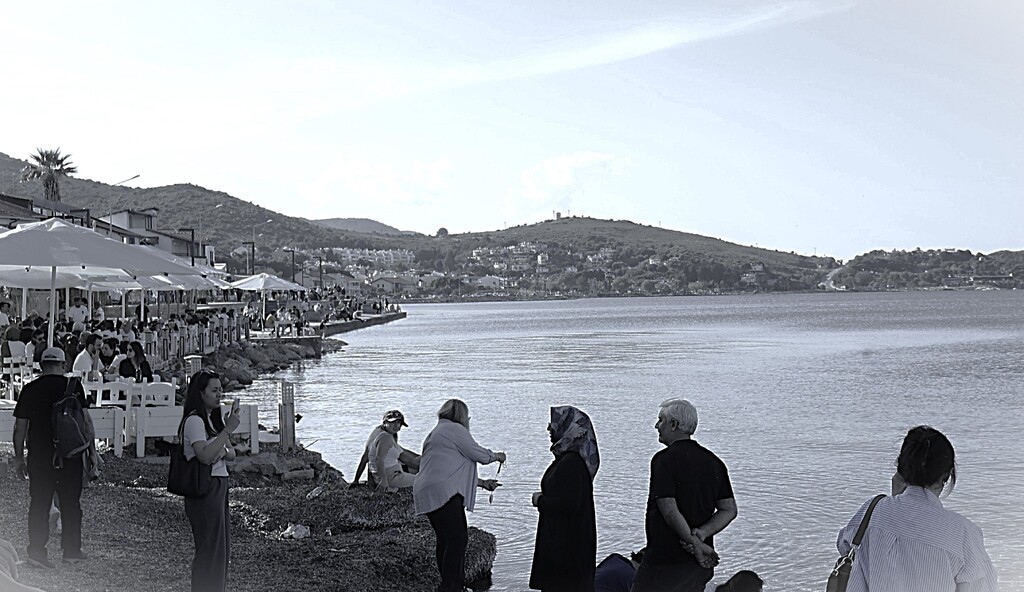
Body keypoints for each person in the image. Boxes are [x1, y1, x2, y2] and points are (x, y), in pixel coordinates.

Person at [835, 426, 998, 592]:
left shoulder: (871, 512)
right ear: (947, 476)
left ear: (900, 468)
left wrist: (895, 498)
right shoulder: (964, 534)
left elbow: (846, 547)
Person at [631, 399, 737, 592]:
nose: (656, 426)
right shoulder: (714, 462)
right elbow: (729, 510)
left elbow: (669, 510)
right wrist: (702, 534)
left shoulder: (664, 460)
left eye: (661, 420)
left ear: (674, 424)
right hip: (697, 566)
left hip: (664, 563)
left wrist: (694, 543)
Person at [11, 347, 93, 568]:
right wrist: (92, 452)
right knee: (71, 503)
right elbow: (86, 422)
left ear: (41, 366)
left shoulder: (30, 389)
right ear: (63, 365)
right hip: (70, 454)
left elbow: (19, 428)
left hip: (39, 457)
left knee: (39, 503)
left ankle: (37, 553)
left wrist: (19, 458)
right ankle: (71, 551)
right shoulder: (74, 387)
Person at [413, 399, 506, 592]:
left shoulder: (435, 433)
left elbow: (451, 467)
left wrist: (482, 483)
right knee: (458, 538)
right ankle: (453, 586)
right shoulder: (455, 430)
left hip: (427, 489)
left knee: (445, 538)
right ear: (462, 416)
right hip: (444, 493)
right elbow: (479, 455)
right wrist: (498, 456)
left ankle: (449, 584)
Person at [180, 370, 240, 592]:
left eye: (220, 390)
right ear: (201, 393)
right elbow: (204, 456)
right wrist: (228, 430)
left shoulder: (211, 421)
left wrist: (221, 447)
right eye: (214, 390)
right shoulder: (194, 421)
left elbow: (231, 454)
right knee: (209, 550)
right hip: (205, 487)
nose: (219, 395)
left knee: (220, 550)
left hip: (218, 485)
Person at [530, 405, 599, 592]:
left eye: (554, 424)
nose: (549, 428)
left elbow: (570, 505)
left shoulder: (572, 464)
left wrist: (540, 501)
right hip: (563, 548)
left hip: (567, 552)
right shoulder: (566, 460)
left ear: (568, 428)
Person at [351, 410, 421, 490]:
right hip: (389, 474)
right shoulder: (383, 437)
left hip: (389, 470)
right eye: (393, 422)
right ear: (385, 422)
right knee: (423, 472)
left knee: (420, 462)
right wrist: (382, 481)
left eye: (399, 423)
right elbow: (373, 458)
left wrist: (356, 480)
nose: (396, 426)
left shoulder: (385, 433)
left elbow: (399, 451)